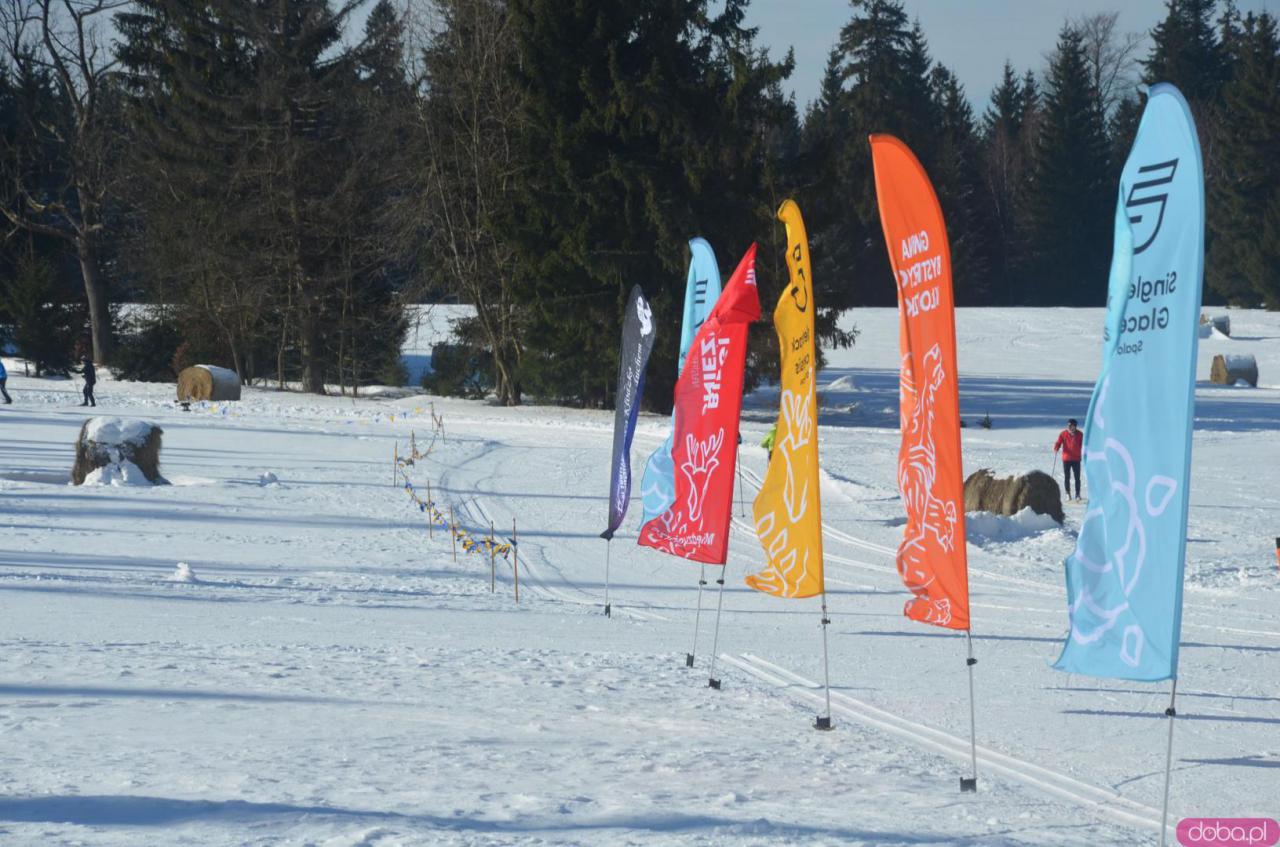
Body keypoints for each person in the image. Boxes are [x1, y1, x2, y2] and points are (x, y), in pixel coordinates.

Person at [1054, 418, 1083, 501]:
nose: (1070, 428)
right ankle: (1068, 493)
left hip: (1076, 459)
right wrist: (1056, 447)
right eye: (1069, 426)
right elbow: (1058, 442)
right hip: (1066, 459)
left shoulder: (1080, 434)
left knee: (1077, 477)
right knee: (1067, 477)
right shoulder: (1063, 434)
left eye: (1072, 426)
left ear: (1075, 426)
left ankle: (1077, 494)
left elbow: (1084, 444)